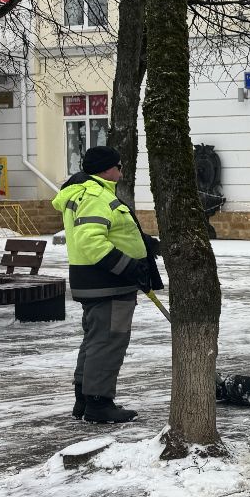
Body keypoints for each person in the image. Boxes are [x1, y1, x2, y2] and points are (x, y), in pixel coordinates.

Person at [51, 145, 160, 424]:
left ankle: (85, 398)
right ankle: (99, 404)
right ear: (107, 169)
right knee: (109, 342)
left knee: (95, 340)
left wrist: (144, 245)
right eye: (120, 166)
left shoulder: (84, 192)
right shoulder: (96, 195)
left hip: (95, 281)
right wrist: (129, 267)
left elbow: (109, 231)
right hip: (108, 282)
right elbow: (91, 240)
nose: (122, 171)